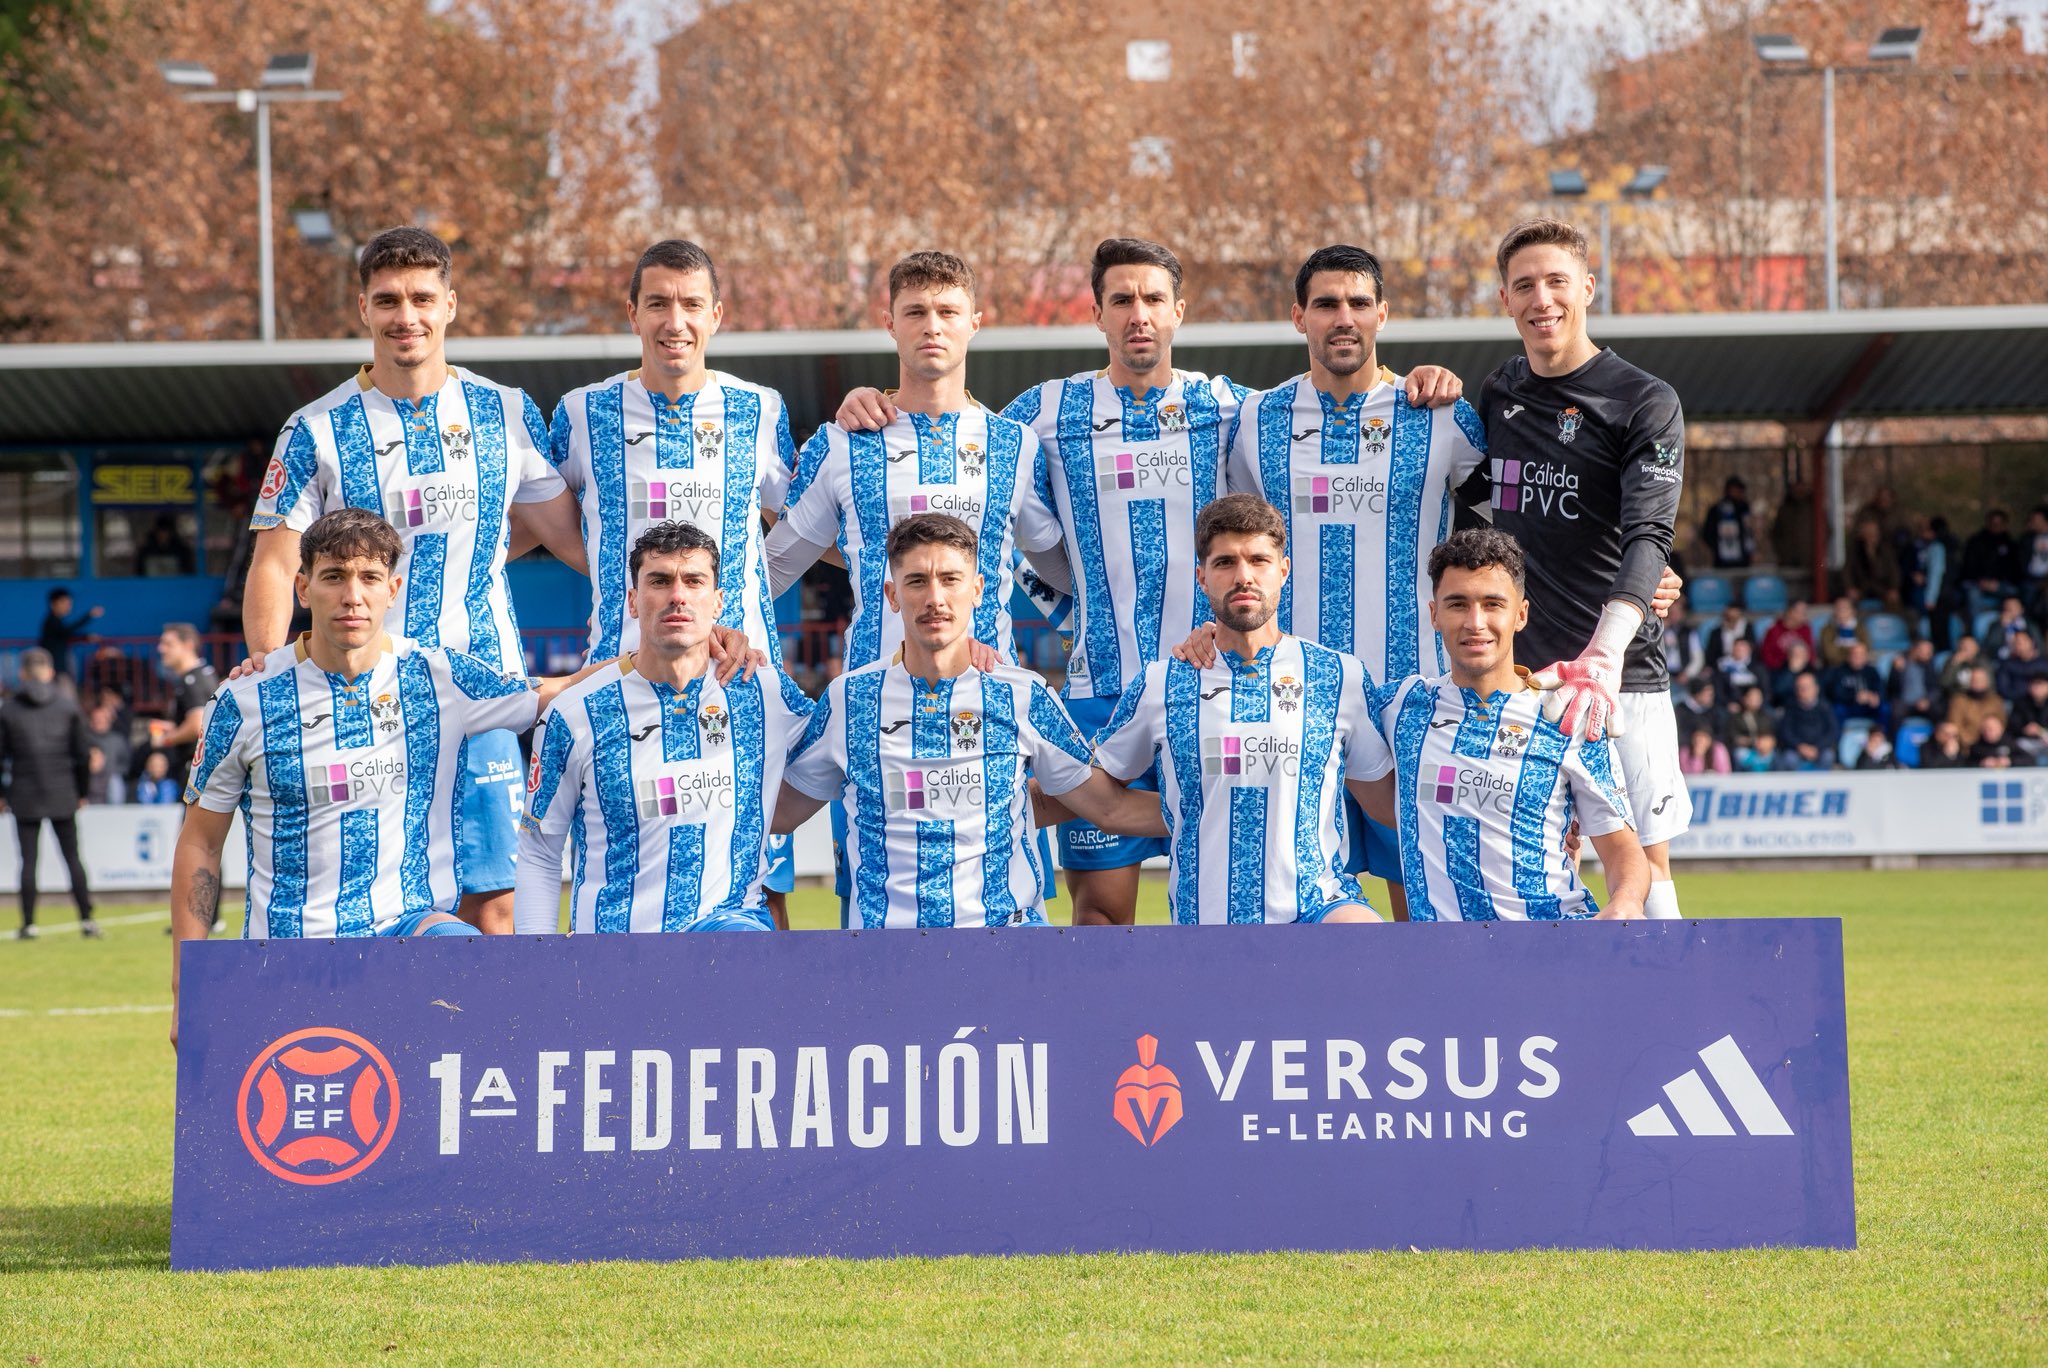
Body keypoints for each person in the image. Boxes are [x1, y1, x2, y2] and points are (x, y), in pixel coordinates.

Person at [242, 226, 590, 935]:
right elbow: (277, 563)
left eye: (423, 297)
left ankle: (497, 1049)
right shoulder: (315, 429)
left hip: (484, 691)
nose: (408, 315)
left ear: (451, 304)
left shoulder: (507, 411)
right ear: (363, 310)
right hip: (363, 701)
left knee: (495, 901)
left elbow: (570, 539)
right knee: (379, 909)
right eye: (388, 299)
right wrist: (271, 666)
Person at [172, 510, 598, 1045]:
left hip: (408, 931)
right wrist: (187, 985)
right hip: (290, 951)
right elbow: (201, 844)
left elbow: (558, 691)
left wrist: (676, 650)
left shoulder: (437, 675)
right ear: (303, 588)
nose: (353, 596)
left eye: (370, 578)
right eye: (334, 577)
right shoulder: (243, 701)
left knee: (484, 976)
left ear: (392, 589)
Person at [1206, 243, 1481, 921]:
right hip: (1297, 702)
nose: (1344, 317)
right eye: (1326, 303)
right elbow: (1234, 547)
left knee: (1423, 906)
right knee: (1299, 907)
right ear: (1299, 316)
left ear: (1383, 313)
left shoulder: (1441, 414)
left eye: (1359, 302)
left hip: (1411, 696)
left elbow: (1520, 523)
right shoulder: (1253, 421)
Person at [547, 238, 805, 928]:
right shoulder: (581, 414)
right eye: (657, 302)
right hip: (618, 677)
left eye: (692, 303)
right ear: (632, 313)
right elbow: (534, 524)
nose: (675, 320)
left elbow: (818, 523)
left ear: (717, 315)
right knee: (616, 864)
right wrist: (617, 575)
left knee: (758, 884)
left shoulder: (760, 410)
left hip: (740, 682)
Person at [773, 514, 1159, 929]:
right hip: (886, 958)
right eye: (917, 581)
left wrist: (1221, 803)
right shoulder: (848, 700)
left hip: (1008, 949)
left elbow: (1107, 807)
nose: (935, 598)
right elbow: (776, 814)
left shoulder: (1022, 694)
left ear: (977, 590)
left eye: (951, 579)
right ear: (892, 594)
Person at [1471, 219, 1688, 920]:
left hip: (1620, 676)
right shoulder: (1499, 392)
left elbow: (1650, 531)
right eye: (1525, 285)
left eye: (1557, 281)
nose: (1543, 299)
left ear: (1587, 288)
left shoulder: (1644, 400)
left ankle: (1669, 1014)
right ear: (1505, 299)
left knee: (1644, 860)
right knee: (1541, 860)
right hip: (1524, 682)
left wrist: (1608, 647)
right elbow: (1464, 502)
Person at [1071, 495, 1395, 925]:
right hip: (1206, 926)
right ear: (1201, 577)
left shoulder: (1340, 676)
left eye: (1259, 560)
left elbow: (1387, 801)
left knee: (1366, 941)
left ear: (1284, 569)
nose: (1244, 576)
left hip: (1318, 911)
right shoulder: (1160, 683)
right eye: (1225, 563)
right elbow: (1100, 792)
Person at [515, 521, 813, 935]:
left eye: (694, 581)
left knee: (740, 940)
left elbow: (842, 746)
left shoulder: (763, 691)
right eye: (660, 581)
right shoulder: (575, 711)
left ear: (718, 602)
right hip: (613, 956)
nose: (677, 595)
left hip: (728, 931)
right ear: (634, 601)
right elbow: (539, 851)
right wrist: (542, 967)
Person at [1366, 527, 1648, 920]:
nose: (1475, 622)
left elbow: (1623, 851)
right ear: (1434, 614)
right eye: (1457, 604)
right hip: (1445, 963)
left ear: (1521, 614)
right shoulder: (1400, 707)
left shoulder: (1567, 714)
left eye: (1492, 604)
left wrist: (1626, 901)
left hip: (1554, 947)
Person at [0, 648, 96, 939]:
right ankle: (87, 920)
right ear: (51, 672)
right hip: (63, 791)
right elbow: (82, 756)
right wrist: (82, 791)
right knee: (73, 857)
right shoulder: (68, 706)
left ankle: (29, 924)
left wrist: (3, 794)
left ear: (22, 673)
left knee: (28, 861)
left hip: (24, 792)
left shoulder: (8, 710)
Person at [151, 623, 219, 792]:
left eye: (168, 644)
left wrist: (165, 739)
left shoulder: (192, 680)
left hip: (197, 769)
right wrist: (174, 727)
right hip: (206, 769)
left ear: (188, 645)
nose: (161, 649)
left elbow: (197, 727)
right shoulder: (202, 674)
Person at [1960, 508, 2021, 617]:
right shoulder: (1976, 542)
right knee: (1972, 594)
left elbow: (2014, 569)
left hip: (2001, 584)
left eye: (1999, 523)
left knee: (2014, 593)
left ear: (2005, 524)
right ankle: (1978, 629)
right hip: (1978, 583)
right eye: (1993, 523)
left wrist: (1997, 582)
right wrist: (1980, 580)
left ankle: (2012, 626)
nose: (1995, 526)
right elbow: (1968, 566)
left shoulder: (2010, 544)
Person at [1776, 672, 1839, 770]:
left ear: (1816, 688)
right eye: (1800, 687)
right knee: (1789, 758)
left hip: (1819, 749)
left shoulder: (1825, 707)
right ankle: (1796, 785)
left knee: (1828, 756)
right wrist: (1800, 746)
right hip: (1797, 749)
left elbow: (1833, 731)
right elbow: (1785, 731)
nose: (1803, 690)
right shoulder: (1791, 707)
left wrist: (1817, 747)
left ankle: (1821, 784)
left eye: (1807, 687)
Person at [37, 589, 101, 681]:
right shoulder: (51, 621)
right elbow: (66, 632)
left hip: (57, 666)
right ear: (54, 603)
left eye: (69, 604)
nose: (69, 607)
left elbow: (66, 635)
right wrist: (88, 616)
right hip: (54, 666)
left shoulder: (57, 621)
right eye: (65, 603)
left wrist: (86, 638)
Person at [1843, 512, 1901, 609]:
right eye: (1868, 532)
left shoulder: (1885, 550)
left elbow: (1894, 570)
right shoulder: (1855, 550)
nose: (1872, 535)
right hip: (1862, 588)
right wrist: (1850, 588)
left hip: (1882, 589)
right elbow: (1847, 571)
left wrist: (1893, 588)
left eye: (1874, 532)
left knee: (1894, 604)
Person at [1886, 637, 1945, 731]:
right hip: (1905, 703)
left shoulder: (1930, 665)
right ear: (1915, 650)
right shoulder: (1900, 663)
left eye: (1930, 651)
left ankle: (1937, 743)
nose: (1929, 654)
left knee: (1940, 710)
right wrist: (1896, 671)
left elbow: (1936, 689)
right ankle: (1893, 743)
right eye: (1926, 651)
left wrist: (1927, 700)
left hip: (1924, 702)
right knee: (1895, 713)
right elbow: (1890, 688)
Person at [1821, 640, 1885, 725]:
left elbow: (1881, 689)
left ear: (1866, 656)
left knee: (1884, 708)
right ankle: (1836, 737)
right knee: (1837, 709)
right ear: (1848, 656)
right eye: (1855, 654)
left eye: (1861, 654)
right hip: (1848, 706)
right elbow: (1837, 693)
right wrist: (1856, 697)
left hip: (1868, 707)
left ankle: (1880, 735)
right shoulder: (1839, 671)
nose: (1858, 657)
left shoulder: (1872, 671)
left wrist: (1874, 696)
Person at [1701, 476, 1754, 569]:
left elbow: (1748, 533)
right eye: (1736, 489)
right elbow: (1707, 533)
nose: (1739, 493)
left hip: (1743, 562)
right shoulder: (1717, 510)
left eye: (1740, 490)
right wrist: (1717, 547)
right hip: (1723, 561)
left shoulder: (1744, 509)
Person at [1946, 665, 2007, 745]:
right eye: (1975, 680)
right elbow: (1955, 725)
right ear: (1969, 682)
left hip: (1992, 744)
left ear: (1987, 681)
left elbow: (2002, 723)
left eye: (1981, 680)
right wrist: (1969, 741)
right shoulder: (1958, 701)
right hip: (1968, 745)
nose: (1978, 683)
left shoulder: (1996, 700)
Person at [1762, 599, 1817, 671]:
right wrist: (1788, 663)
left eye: (1805, 612)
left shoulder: (1806, 628)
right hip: (1780, 669)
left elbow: (1810, 653)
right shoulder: (1774, 629)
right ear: (1790, 612)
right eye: (1800, 612)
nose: (1804, 615)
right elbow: (1766, 656)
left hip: (1803, 669)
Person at [2006, 673, 2048, 766]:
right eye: (2034, 684)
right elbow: (2013, 725)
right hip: (2027, 741)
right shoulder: (2021, 703)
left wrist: (2042, 731)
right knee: (2018, 745)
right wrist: (2024, 730)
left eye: (2040, 684)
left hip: (2045, 741)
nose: (2037, 688)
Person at [1726, 683, 1774, 765]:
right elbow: (1733, 737)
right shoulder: (1736, 717)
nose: (1756, 699)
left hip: (1764, 748)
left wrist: (1766, 743)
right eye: (1753, 696)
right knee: (1741, 755)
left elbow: (1770, 734)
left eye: (1759, 697)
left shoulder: (1766, 716)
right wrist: (1752, 742)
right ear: (1744, 698)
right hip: (1744, 748)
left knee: (1773, 756)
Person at [1996, 631, 2047, 702]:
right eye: (2016, 642)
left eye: (2023, 641)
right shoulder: (2007, 665)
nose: (2020, 645)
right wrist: (2028, 690)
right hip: (2016, 703)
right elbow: (2003, 690)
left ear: (2032, 641)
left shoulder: (2044, 663)